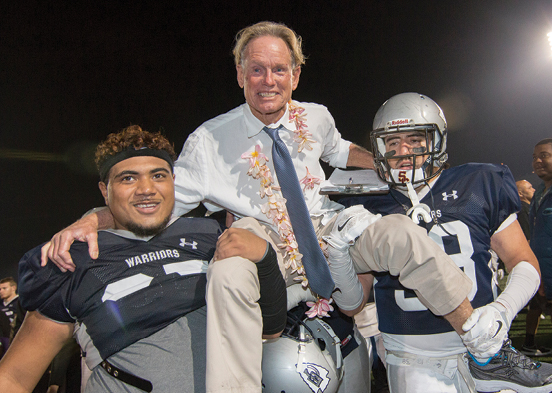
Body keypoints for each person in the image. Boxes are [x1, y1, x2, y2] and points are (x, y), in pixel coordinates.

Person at [41, 23, 508, 393]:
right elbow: (153, 202)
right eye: (257, 70)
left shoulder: (317, 117)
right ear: (241, 75)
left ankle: (483, 343)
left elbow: (341, 152)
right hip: (267, 245)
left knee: (400, 234)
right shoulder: (209, 140)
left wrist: (392, 165)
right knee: (227, 270)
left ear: (296, 75)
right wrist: (88, 220)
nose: (269, 81)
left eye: (279, 69)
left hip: (326, 232)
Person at [0, 126, 285, 393]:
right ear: (104, 190)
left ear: (173, 181)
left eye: (158, 175)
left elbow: (272, 330)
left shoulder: (209, 234)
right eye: (128, 178)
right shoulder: (75, 258)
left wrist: (265, 257)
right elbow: (14, 377)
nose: (146, 188)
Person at [339, 92, 552, 393]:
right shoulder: (367, 202)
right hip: (413, 356)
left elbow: (522, 260)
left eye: (415, 139)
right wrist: (337, 253)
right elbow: (354, 301)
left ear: (437, 141)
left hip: (490, 350)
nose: (402, 150)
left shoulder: (478, 182)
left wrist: (503, 309)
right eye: (392, 142)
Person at [516, 179, 550, 357]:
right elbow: (530, 239)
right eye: (529, 187)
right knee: (539, 304)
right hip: (539, 263)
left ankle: (529, 343)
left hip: (538, 262)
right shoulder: (524, 210)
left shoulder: (532, 204)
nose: (533, 188)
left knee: (536, 307)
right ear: (520, 194)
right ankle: (529, 343)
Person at [527, 139, 552, 344]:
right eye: (535, 157)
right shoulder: (539, 194)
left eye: (544, 155)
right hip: (543, 272)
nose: (537, 161)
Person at [0, 277, 26, 343]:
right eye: (0, 289)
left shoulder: (21, 303)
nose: (1, 291)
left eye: (4, 288)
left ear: (13, 288)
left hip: (18, 337)